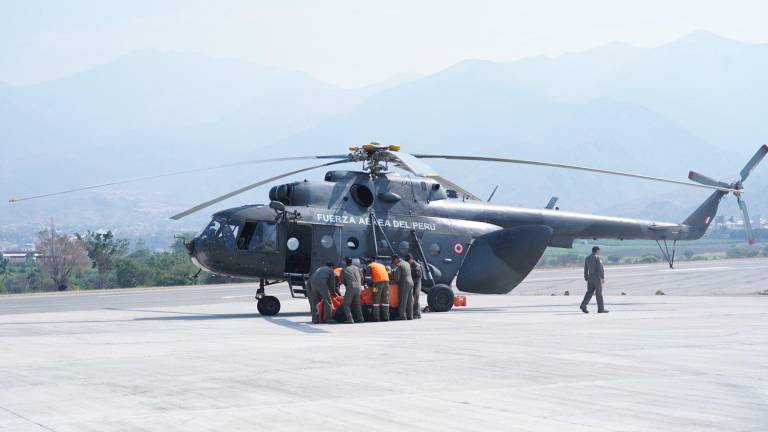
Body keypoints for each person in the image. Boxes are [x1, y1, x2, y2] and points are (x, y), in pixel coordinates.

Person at [581, 246, 608, 314]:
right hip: (597, 279)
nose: (599, 252)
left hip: (590, 278)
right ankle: (601, 309)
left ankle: (583, 305)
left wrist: (586, 277)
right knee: (599, 294)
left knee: (589, 293)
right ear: (597, 251)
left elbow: (585, 269)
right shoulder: (597, 258)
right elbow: (600, 268)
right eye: (599, 251)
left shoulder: (587, 258)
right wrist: (602, 278)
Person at [341, 257, 365, 324]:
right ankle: (361, 318)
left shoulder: (344, 269)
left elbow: (342, 281)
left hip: (351, 287)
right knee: (357, 304)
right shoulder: (357, 268)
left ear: (346, 262)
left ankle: (350, 319)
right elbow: (362, 278)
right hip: (359, 287)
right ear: (352, 262)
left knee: (346, 304)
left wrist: (347, 286)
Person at [366, 256, 390, 322]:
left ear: (368, 262)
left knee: (376, 299)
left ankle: (376, 318)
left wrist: (369, 285)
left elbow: (368, 278)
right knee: (385, 300)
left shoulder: (370, 266)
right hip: (386, 282)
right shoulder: (381, 265)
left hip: (377, 284)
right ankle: (386, 317)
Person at [391, 255, 414, 320]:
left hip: (404, 284)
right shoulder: (407, 263)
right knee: (409, 301)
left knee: (403, 300)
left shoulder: (399, 265)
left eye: (393, 261)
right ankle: (410, 316)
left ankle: (402, 316)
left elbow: (397, 278)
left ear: (396, 259)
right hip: (411, 282)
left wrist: (392, 280)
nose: (394, 263)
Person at [405, 254, 423, 319]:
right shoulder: (408, 265)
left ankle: (417, 314)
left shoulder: (417, 266)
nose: (408, 261)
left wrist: (411, 281)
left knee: (416, 297)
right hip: (412, 283)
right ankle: (412, 313)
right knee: (411, 298)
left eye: (408, 260)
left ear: (411, 259)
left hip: (417, 283)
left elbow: (419, 277)